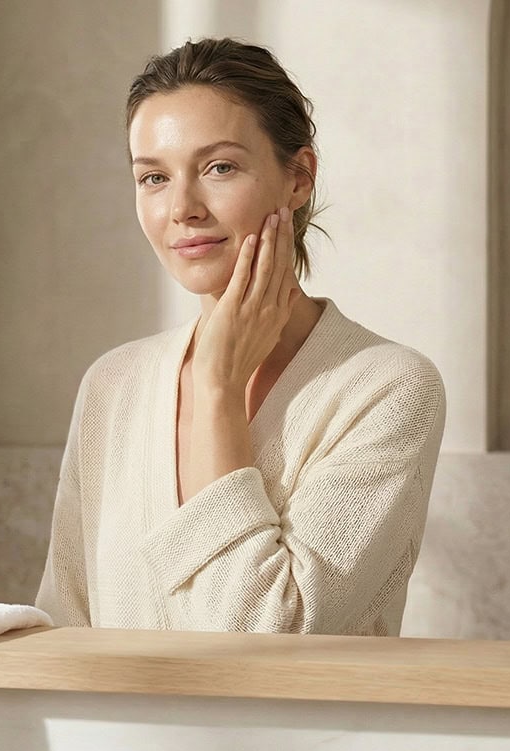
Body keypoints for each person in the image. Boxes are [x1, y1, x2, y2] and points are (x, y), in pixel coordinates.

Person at [35, 38, 446, 636]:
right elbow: (63, 626)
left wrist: (219, 388)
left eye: (219, 168)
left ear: (298, 177)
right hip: (118, 735)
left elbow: (258, 639)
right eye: (153, 177)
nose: (182, 208)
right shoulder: (113, 384)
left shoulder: (387, 388)